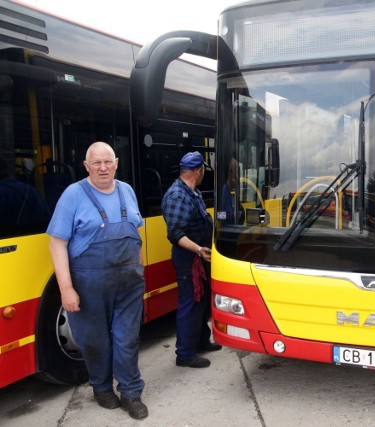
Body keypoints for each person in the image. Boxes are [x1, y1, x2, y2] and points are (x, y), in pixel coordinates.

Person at [47, 142, 148, 420]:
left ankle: (131, 393)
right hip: (88, 283)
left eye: (107, 162)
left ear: (116, 162)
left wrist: (139, 268)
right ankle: (102, 388)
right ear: (86, 166)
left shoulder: (126, 190)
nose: (103, 168)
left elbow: (136, 234)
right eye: (96, 163)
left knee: (127, 339)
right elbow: (57, 244)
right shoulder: (73, 195)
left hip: (128, 282)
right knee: (94, 341)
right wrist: (66, 289)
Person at [161, 151, 221, 369]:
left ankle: (201, 341)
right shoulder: (178, 195)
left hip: (199, 256)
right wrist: (198, 250)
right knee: (190, 303)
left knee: (202, 303)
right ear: (199, 171)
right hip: (190, 259)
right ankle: (185, 354)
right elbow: (175, 234)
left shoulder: (191, 192)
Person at [219, 156, 238, 224]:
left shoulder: (231, 190)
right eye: (236, 171)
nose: (237, 175)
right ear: (231, 173)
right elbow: (219, 215)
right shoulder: (224, 190)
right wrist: (231, 215)